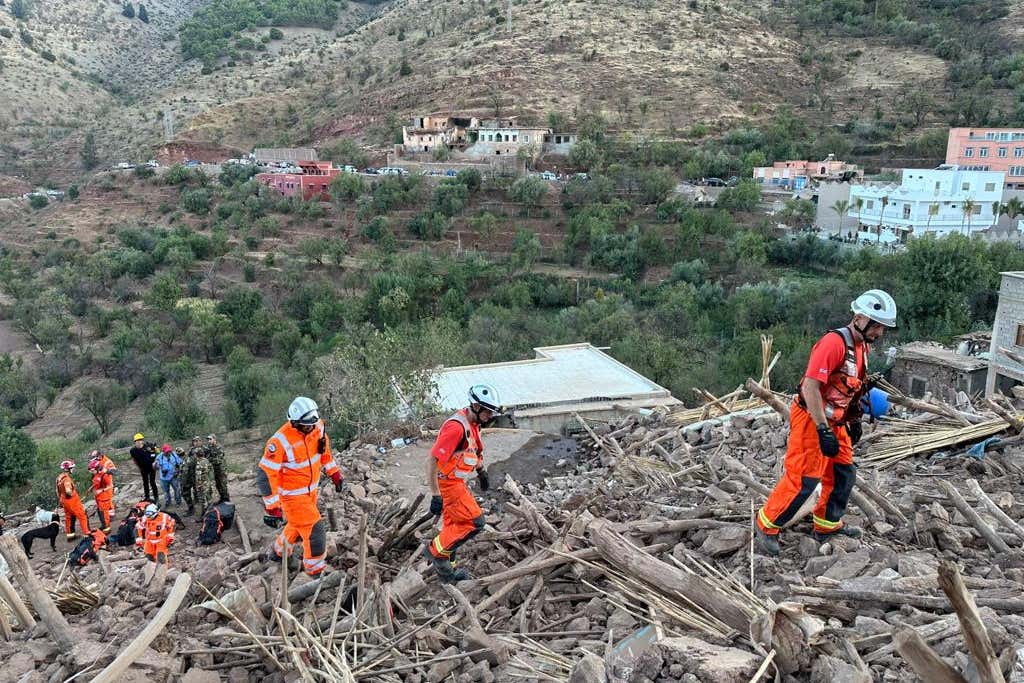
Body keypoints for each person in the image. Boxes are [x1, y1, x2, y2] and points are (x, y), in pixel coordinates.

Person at [755, 289, 897, 556]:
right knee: (804, 478)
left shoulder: (862, 347)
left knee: (843, 473)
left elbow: (850, 387)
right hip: (812, 417)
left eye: (883, 328)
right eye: (877, 326)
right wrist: (822, 429)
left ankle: (827, 525)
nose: (880, 333)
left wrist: (853, 418)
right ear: (860, 318)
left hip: (837, 419)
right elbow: (811, 388)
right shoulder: (834, 343)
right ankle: (766, 525)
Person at [256, 396, 343, 577]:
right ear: (294, 423)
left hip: (311, 491)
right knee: (315, 531)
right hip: (292, 496)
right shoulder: (279, 442)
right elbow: (266, 475)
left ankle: (278, 552)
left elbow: (324, 453)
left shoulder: (317, 427)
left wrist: (335, 474)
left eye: (312, 423)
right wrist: (272, 507)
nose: (310, 427)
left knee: (296, 526)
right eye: (305, 425)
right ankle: (315, 572)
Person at [423, 384, 500, 583]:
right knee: (476, 522)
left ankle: (448, 575)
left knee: (454, 526)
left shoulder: (473, 425)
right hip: (448, 484)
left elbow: (473, 451)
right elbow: (432, 461)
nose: (490, 415)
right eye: (488, 411)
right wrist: (435, 494)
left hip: (456, 481)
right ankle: (435, 552)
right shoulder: (456, 428)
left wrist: (481, 471)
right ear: (476, 406)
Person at [55, 460, 90, 541]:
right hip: (72, 501)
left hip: (64, 500)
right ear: (69, 469)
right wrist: (72, 495)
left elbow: (57, 491)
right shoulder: (66, 479)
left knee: (69, 517)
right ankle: (87, 534)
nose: (73, 469)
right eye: (72, 468)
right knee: (82, 516)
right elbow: (68, 491)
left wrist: (61, 500)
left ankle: (70, 535)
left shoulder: (59, 477)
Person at [88, 456, 115, 534]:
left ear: (97, 468)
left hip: (104, 497)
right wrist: (91, 487)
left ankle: (107, 528)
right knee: (100, 512)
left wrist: (101, 490)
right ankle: (103, 525)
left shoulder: (104, 475)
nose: (91, 472)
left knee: (104, 513)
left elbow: (110, 486)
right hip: (99, 498)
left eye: (92, 470)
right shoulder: (96, 475)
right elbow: (96, 483)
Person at [129, 433, 158, 503]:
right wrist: (139, 467)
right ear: (135, 442)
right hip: (143, 469)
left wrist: (156, 461)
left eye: (141, 440)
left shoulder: (149, 446)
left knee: (152, 482)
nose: (139, 442)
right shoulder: (133, 451)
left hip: (151, 468)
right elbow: (134, 459)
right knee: (145, 483)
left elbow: (157, 453)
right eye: (137, 440)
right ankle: (147, 497)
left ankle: (156, 497)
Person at [155, 444, 183, 509]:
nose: (168, 453)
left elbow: (180, 463)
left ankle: (178, 502)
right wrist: (155, 465)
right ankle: (168, 502)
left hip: (173, 476)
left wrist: (177, 471)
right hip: (164, 478)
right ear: (163, 452)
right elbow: (156, 467)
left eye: (169, 451)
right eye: (166, 452)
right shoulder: (159, 457)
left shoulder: (174, 455)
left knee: (177, 490)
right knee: (166, 492)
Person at [204, 434, 230, 503]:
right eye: (208, 440)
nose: (209, 441)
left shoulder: (219, 447)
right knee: (218, 485)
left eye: (210, 439)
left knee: (223, 485)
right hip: (215, 470)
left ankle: (227, 500)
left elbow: (218, 460)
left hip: (221, 469)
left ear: (214, 439)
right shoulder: (209, 448)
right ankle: (222, 498)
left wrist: (209, 459)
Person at [181, 436, 203, 516]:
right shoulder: (191, 450)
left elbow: (191, 461)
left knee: (199, 493)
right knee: (186, 491)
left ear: (201, 441)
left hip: (199, 475)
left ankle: (200, 510)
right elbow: (187, 460)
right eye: (194, 441)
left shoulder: (202, 450)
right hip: (190, 475)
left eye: (197, 441)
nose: (196, 442)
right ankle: (192, 508)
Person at [194, 448, 215, 520]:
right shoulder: (206, 460)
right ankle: (211, 512)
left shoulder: (199, 463)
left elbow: (198, 476)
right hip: (207, 482)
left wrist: (198, 486)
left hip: (202, 484)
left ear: (196, 455)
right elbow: (210, 470)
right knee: (209, 498)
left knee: (203, 501)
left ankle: (204, 517)